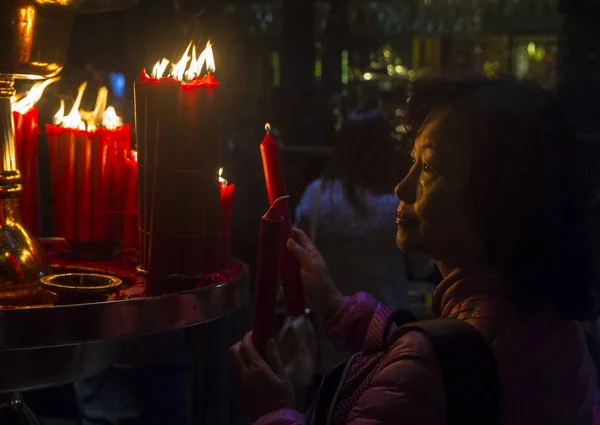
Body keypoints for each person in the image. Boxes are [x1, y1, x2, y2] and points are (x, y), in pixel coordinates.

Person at [230, 76, 598, 425]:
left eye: (428, 168)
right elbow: (447, 352)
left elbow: (432, 364)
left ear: (500, 196)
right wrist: (337, 308)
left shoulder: (428, 368)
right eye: (412, 162)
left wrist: (274, 410)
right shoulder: (552, 321)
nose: (402, 189)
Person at [294, 109, 434, 309]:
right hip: (387, 328)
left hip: (328, 328)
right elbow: (421, 267)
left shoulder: (315, 195)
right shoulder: (397, 205)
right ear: (384, 149)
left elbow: (296, 255)